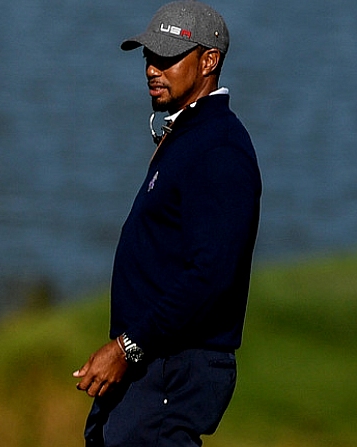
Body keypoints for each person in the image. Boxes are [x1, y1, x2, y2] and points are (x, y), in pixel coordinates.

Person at [73, 2, 261, 446]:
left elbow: (210, 275)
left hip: (171, 370)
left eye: (168, 57)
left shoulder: (219, 148)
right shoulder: (190, 135)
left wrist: (127, 347)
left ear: (208, 60)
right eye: (148, 57)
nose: (152, 69)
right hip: (154, 368)